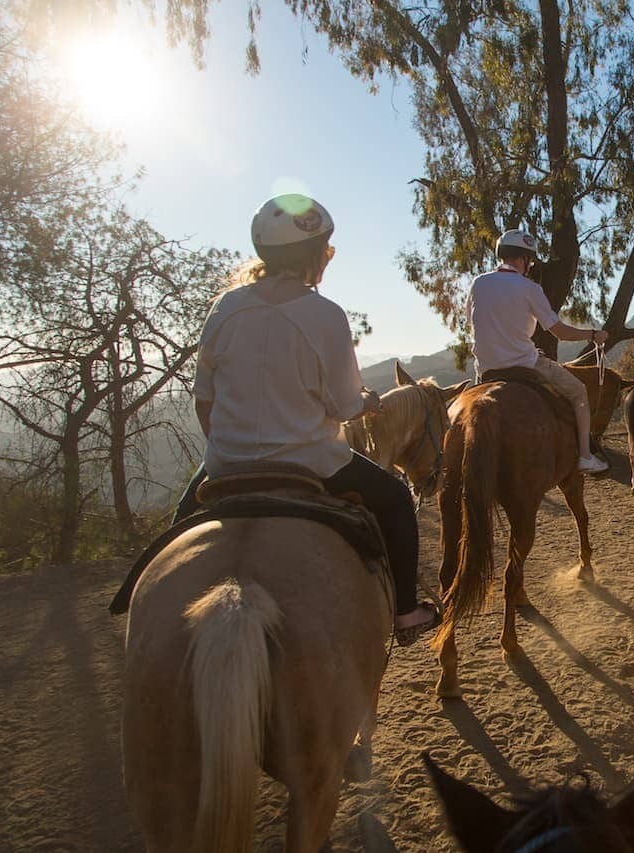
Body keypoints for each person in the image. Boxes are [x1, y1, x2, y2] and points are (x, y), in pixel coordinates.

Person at [172, 194, 438, 645]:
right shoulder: (325, 315)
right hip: (314, 462)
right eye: (327, 252)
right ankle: (407, 612)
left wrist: (227, 451)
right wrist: (368, 402)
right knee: (394, 499)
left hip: (227, 462)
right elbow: (344, 406)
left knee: (180, 524)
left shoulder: (225, 307)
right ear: (314, 255)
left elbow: (204, 400)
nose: (327, 261)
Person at [465, 228, 609, 474]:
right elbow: (559, 332)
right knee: (578, 392)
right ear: (523, 259)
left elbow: (471, 322)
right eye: (529, 260)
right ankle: (585, 456)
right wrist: (593, 335)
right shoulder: (529, 287)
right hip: (525, 364)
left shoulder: (478, 283)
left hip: (486, 371)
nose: (529, 266)